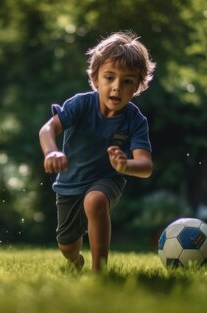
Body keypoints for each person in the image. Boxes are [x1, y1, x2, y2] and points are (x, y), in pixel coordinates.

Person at [39, 31, 155, 273]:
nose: (116, 88)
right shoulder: (81, 104)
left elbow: (145, 167)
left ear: (138, 85)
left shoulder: (135, 120)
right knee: (66, 246)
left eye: (127, 81)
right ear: (95, 79)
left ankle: (99, 271)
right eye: (109, 77)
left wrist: (126, 166)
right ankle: (76, 260)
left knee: (95, 200)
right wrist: (51, 152)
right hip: (70, 183)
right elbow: (48, 129)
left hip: (108, 179)